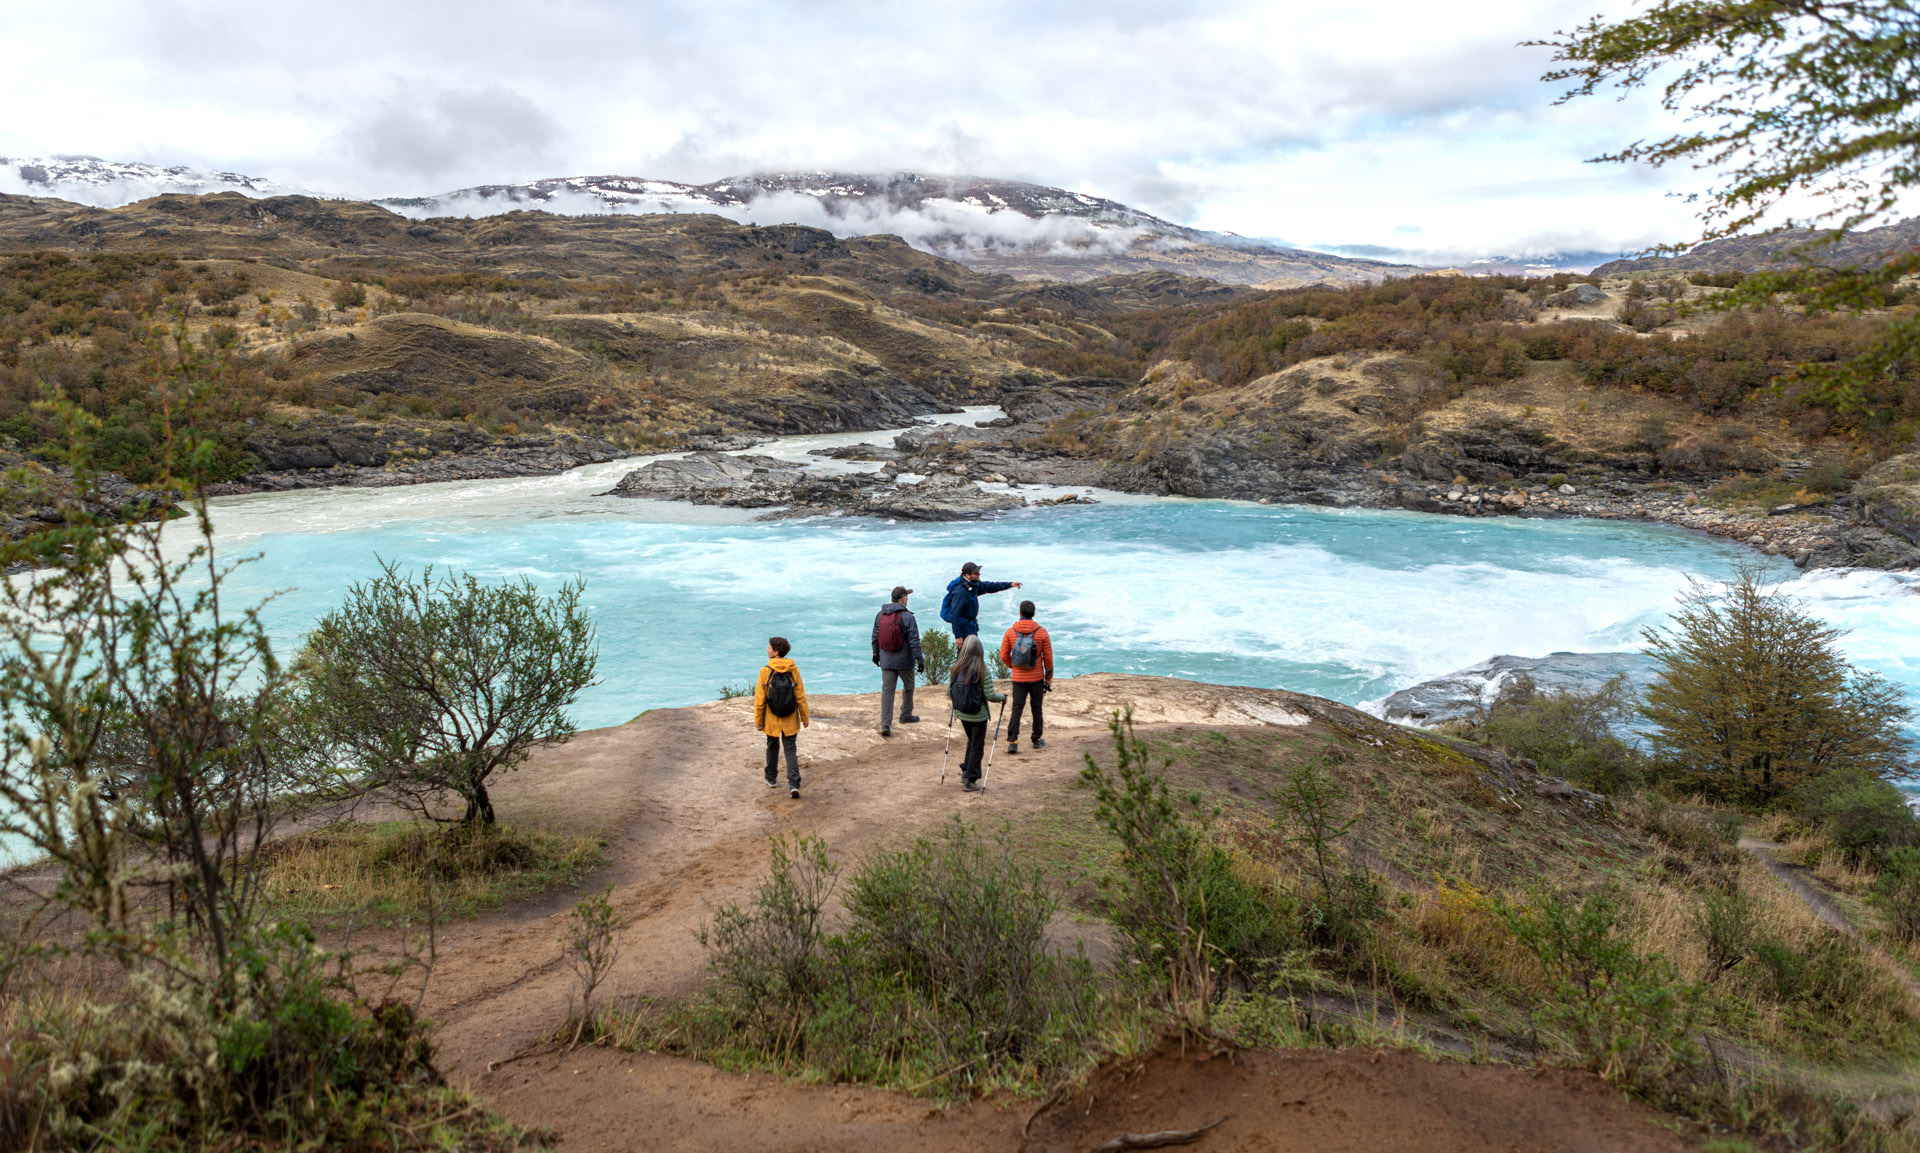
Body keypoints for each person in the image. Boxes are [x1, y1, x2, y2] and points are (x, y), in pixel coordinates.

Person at [753, 636, 809, 798]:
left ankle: (771, 778)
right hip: (790, 716)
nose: (767, 650)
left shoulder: (765, 671)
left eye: (769, 648)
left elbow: (760, 699)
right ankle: (794, 784)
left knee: (772, 746)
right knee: (790, 749)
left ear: (776, 652)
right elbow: (800, 696)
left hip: (772, 717)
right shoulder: (794, 670)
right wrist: (805, 717)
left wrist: (758, 720)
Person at [949, 634, 1004, 793]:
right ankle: (971, 779)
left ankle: (966, 771)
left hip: (962, 713)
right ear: (980, 650)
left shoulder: (956, 668)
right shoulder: (982, 670)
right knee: (977, 745)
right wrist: (1002, 698)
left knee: (971, 741)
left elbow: (949, 691)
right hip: (978, 715)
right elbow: (990, 695)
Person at [998, 600, 1053, 755]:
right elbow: (1048, 659)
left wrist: (1013, 667)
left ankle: (1013, 742)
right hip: (1036, 678)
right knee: (1036, 708)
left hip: (1018, 678)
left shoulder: (1010, 632)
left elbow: (1003, 655)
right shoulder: (1042, 632)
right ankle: (1036, 738)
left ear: (1020, 613)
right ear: (1033, 614)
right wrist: (1048, 678)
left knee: (1017, 708)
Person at [872, 585, 924, 737]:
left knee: (888, 691)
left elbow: (875, 636)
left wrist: (876, 654)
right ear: (902, 599)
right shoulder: (908, 617)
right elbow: (914, 641)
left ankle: (885, 724)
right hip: (904, 661)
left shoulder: (880, 615)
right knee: (908, 687)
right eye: (907, 596)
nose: (907, 598)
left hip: (886, 660)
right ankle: (905, 715)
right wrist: (920, 659)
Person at [939, 561, 1021, 641]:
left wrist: (1010, 584)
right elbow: (955, 613)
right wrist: (958, 636)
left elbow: (990, 586)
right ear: (967, 575)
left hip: (971, 626)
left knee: (974, 652)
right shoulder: (961, 592)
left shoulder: (973, 584)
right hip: (963, 628)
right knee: (966, 653)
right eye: (976, 573)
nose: (979, 574)